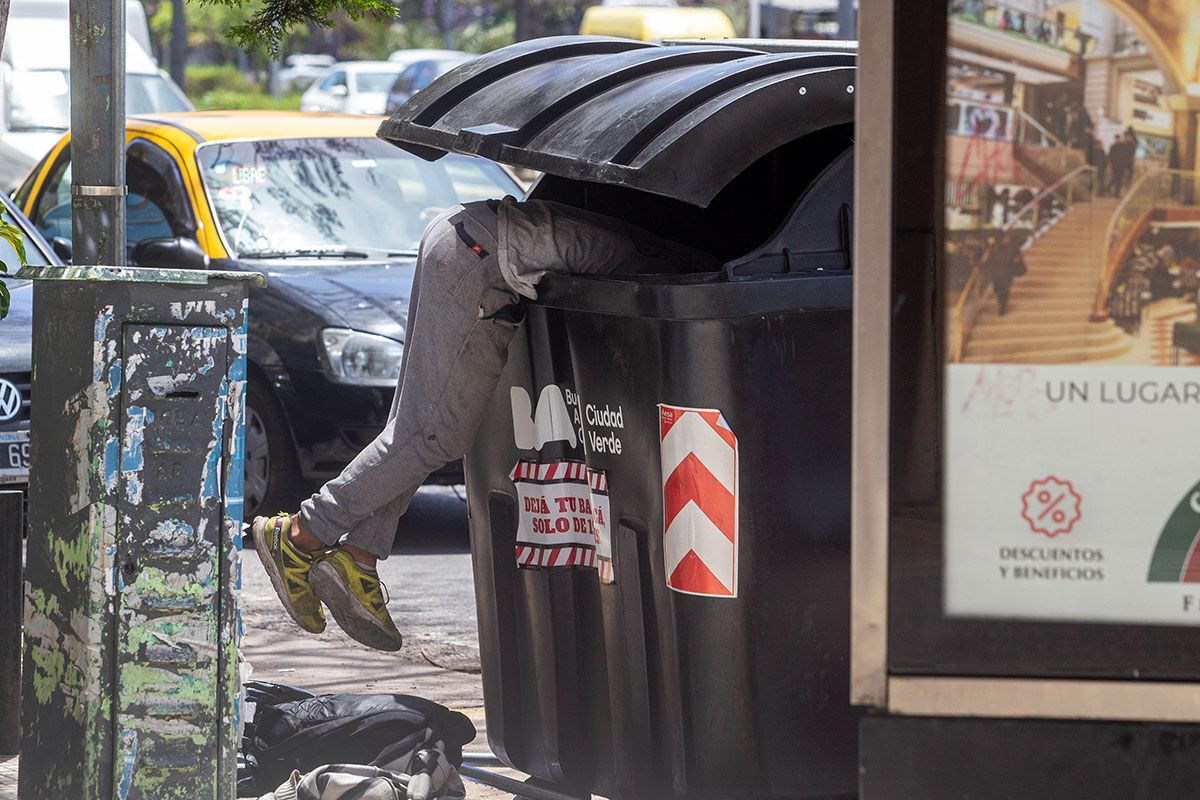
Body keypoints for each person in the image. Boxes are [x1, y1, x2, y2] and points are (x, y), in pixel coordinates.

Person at [250, 197, 719, 651]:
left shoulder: (647, 238)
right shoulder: (669, 267)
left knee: (413, 427)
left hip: (467, 240)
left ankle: (359, 557)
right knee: (434, 434)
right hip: (477, 258)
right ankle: (299, 534)